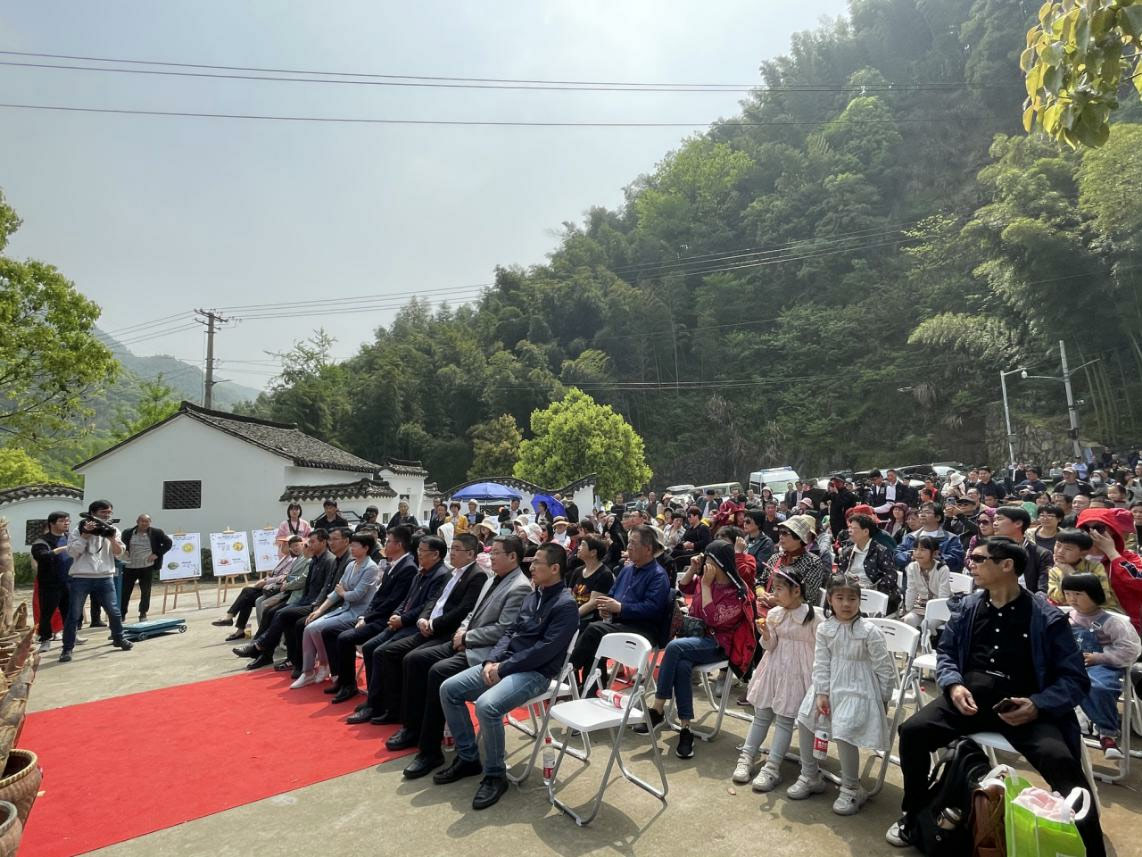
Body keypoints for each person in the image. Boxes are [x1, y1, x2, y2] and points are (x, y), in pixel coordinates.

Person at [887, 537, 1106, 856]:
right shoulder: (968, 607)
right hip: (968, 699)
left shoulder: (1046, 617)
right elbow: (946, 653)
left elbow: (1075, 679)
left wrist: (1038, 704)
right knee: (912, 732)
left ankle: (1091, 846)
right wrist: (953, 685)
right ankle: (916, 817)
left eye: (979, 559)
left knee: (1061, 761)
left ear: (1007, 565)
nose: (971, 564)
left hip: (1024, 708)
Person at [436, 542, 578, 810]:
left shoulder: (565, 605)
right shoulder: (533, 595)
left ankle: (495, 775)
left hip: (535, 673)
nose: (531, 567)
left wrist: (503, 668)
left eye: (537, 562)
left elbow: (544, 651)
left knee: (486, 706)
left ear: (555, 568)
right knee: (449, 689)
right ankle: (468, 757)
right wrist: (492, 660)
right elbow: (510, 632)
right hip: (506, 664)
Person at [398, 535, 533, 778]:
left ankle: (431, 751)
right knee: (414, 660)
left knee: (438, 672)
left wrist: (468, 638)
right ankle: (413, 728)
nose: (490, 556)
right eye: (491, 552)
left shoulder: (519, 587)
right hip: (466, 640)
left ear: (513, 557)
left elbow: (503, 629)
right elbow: (472, 613)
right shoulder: (492, 578)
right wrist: (462, 631)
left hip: (484, 651)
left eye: (496, 553)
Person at [636, 539, 757, 759]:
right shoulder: (705, 579)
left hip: (719, 644)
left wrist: (706, 586)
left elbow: (714, 619)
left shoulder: (738, 591)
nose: (706, 564)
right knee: (682, 666)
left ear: (720, 563)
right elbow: (682, 587)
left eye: (709, 560)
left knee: (674, 647)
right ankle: (686, 729)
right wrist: (693, 569)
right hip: (695, 640)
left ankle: (658, 708)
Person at [788, 573, 895, 815]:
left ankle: (851, 788)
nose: (846, 604)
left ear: (859, 601)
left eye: (852, 599)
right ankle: (810, 775)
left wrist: (884, 699)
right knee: (805, 719)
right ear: (830, 600)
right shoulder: (825, 628)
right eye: (840, 598)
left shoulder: (869, 631)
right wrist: (821, 693)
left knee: (844, 732)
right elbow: (821, 663)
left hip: (859, 688)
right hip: (828, 685)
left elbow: (884, 668)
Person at [366, 534, 487, 726]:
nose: (452, 553)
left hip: (445, 632)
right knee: (386, 652)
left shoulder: (477, 576)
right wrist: (424, 618)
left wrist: (432, 624)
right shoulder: (452, 573)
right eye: (452, 548)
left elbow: (462, 610)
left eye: (457, 549)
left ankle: (406, 717)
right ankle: (390, 707)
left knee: (408, 658)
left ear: (471, 554)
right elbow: (434, 600)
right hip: (427, 626)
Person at [733, 566, 821, 789]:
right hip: (773, 670)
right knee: (761, 714)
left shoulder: (814, 617)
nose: (774, 593)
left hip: (797, 675)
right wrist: (765, 634)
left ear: (796, 591)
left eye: (779, 588)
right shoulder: (774, 614)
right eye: (774, 588)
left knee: (784, 718)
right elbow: (770, 646)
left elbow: (822, 650)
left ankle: (772, 767)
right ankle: (746, 757)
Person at [346, 535, 449, 724]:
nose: (418, 554)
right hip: (399, 622)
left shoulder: (441, 575)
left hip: (413, 626)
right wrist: (396, 614)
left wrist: (402, 619)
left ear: (435, 554)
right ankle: (376, 700)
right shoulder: (421, 572)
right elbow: (406, 600)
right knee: (369, 647)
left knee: (382, 652)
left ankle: (387, 706)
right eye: (418, 550)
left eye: (422, 551)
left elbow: (427, 606)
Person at [569, 525, 671, 686]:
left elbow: (653, 609)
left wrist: (620, 608)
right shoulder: (626, 570)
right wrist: (606, 609)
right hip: (620, 623)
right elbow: (611, 595)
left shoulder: (658, 575)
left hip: (643, 629)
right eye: (628, 542)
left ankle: (568, 670)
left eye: (633, 543)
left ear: (648, 549)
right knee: (593, 636)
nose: (628, 546)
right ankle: (589, 686)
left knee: (594, 631)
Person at [326, 526, 417, 703]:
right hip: (373, 616)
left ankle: (356, 689)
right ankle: (343, 680)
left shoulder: (408, 568)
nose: (385, 544)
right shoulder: (392, 565)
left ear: (399, 545)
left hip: (386, 619)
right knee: (330, 631)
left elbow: (393, 602)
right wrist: (364, 616)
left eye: (388, 541)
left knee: (346, 638)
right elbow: (378, 596)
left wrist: (367, 618)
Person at [1061, 573, 1141, 759]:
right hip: (1071, 664)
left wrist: (1099, 657)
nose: (1072, 599)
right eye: (1068, 593)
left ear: (1094, 593)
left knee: (1097, 686)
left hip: (1102, 666)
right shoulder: (1066, 617)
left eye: (1078, 594)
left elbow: (1130, 650)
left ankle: (1107, 734)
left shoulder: (1112, 622)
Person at [233, 529, 337, 670]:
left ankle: (261, 648)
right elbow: (306, 584)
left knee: (282, 614)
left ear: (323, 542)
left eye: (311, 542)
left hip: (315, 603)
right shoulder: (314, 560)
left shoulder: (328, 560)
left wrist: (315, 605)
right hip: (304, 599)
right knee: (273, 612)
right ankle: (264, 652)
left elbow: (325, 588)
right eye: (308, 543)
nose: (309, 546)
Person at [291, 532, 381, 688]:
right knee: (309, 626)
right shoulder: (351, 565)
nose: (352, 548)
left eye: (355, 545)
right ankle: (308, 671)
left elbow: (356, 595)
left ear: (366, 548)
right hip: (345, 608)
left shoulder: (371, 567)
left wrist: (343, 593)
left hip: (358, 613)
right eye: (351, 545)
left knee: (317, 628)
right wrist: (319, 610)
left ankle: (324, 665)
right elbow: (335, 593)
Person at [60, 500, 132, 663]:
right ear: (92, 514)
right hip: (81, 577)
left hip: (105, 577)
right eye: (103, 512)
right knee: (74, 614)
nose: (106, 515)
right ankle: (67, 648)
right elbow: (72, 553)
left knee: (114, 611)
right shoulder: (79, 529)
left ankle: (118, 638)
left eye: (109, 512)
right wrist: (85, 536)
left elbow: (119, 553)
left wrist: (112, 539)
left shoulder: (113, 530)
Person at [213, 536, 306, 640]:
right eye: (282, 544)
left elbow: (283, 577)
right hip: (270, 586)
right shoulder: (285, 558)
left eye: (285, 544)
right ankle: (239, 628)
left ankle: (233, 619)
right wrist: (265, 580)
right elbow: (274, 574)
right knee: (246, 597)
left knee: (247, 594)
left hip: (276, 588)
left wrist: (265, 581)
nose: (282, 546)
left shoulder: (294, 560)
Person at [1076, 507, 1142, 634]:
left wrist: (1112, 553)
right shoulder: (1072, 557)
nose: (1092, 532)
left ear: (1112, 530)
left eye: (1099, 528)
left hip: (1126, 629)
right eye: (1085, 528)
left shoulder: (1129, 558)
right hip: (1080, 627)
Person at [836, 513, 900, 614]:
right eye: (849, 527)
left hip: (872, 595)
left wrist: (870, 588)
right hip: (850, 592)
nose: (849, 531)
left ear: (865, 531)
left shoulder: (881, 551)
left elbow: (891, 576)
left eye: (853, 528)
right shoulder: (847, 551)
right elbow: (839, 573)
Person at [118, 514, 172, 622]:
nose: (144, 523)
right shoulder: (128, 532)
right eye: (142, 521)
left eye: (147, 521)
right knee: (125, 592)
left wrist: (157, 554)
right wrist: (126, 551)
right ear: (137, 522)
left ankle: (143, 613)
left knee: (146, 591)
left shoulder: (156, 532)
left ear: (150, 522)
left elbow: (168, 543)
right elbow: (123, 545)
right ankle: (122, 614)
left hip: (146, 566)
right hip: (130, 566)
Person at [32, 512, 73, 652]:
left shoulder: (70, 538)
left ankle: (71, 636)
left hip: (68, 582)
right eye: (62, 521)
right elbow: (41, 556)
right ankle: (45, 640)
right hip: (49, 584)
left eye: (68, 521)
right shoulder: (42, 541)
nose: (66, 523)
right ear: (52, 523)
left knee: (69, 612)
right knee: (47, 613)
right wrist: (60, 550)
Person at [1046, 529, 1116, 609]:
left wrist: (1070, 573)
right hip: (1070, 611)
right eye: (1058, 546)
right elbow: (1058, 598)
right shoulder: (1054, 571)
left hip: (1100, 610)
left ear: (1083, 553)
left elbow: (1102, 596)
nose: (1060, 551)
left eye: (1068, 549)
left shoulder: (1095, 567)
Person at [992, 505, 1052, 594]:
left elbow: (1043, 589)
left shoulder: (1041, 554)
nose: (994, 523)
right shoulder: (990, 551)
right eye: (994, 520)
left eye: (999, 519)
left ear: (1018, 523)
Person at [893, 502, 964, 573]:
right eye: (921, 512)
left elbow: (957, 561)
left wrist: (933, 557)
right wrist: (911, 555)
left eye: (927, 512)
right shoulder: (910, 537)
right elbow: (897, 555)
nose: (922, 515)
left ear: (938, 517)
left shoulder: (951, 538)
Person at [901, 536, 951, 628]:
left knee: (927, 624)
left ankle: (928, 638)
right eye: (915, 549)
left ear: (935, 553)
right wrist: (908, 609)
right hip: (922, 605)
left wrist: (933, 611)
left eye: (922, 550)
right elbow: (911, 590)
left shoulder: (942, 569)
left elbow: (943, 596)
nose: (918, 553)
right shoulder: (912, 567)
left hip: (939, 607)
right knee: (908, 620)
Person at [566, 535, 614, 630]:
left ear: (593, 552)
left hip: (589, 619)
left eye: (583, 545)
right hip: (573, 614)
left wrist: (571, 616)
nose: (579, 548)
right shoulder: (578, 571)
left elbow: (593, 603)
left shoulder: (604, 574)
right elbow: (570, 595)